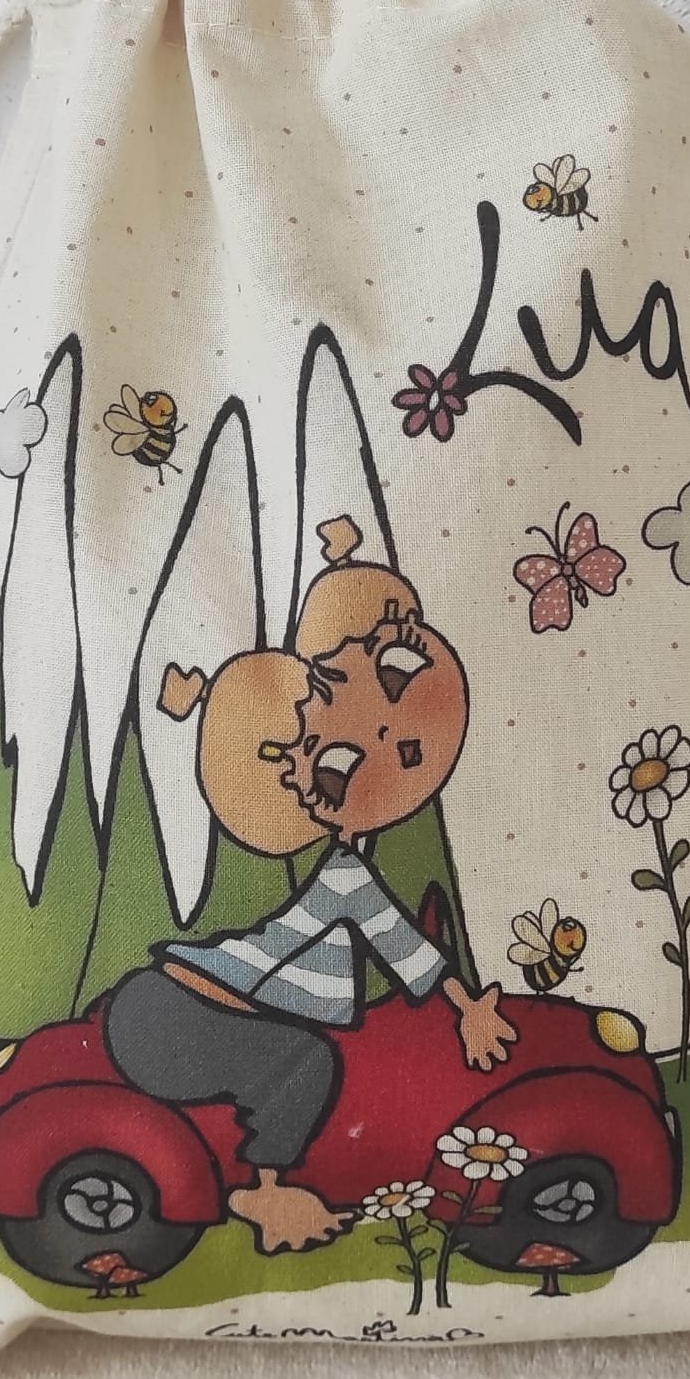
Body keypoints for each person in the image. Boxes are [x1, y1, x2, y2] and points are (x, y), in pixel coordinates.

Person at [104, 533, 515, 1253]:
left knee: (309, 1055)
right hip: (174, 1017)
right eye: (339, 762)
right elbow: (401, 943)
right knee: (309, 1062)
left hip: (165, 1009)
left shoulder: (343, 868)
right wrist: (465, 1005)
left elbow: (401, 943)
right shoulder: (347, 877)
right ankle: (264, 1195)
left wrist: (466, 1004)